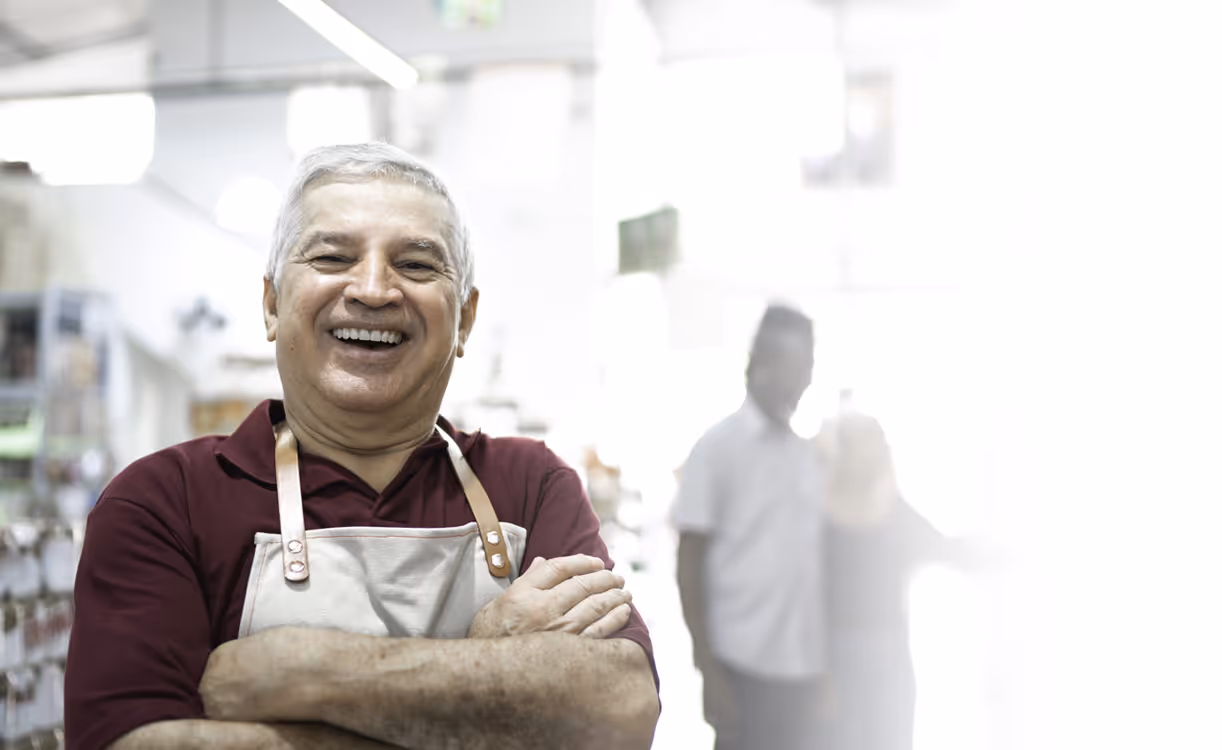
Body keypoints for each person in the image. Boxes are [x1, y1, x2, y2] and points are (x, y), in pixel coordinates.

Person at [64, 143, 660, 750]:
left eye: (417, 265)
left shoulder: (530, 485)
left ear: (464, 320)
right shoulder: (165, 503)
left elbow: (622, 707)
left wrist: (298, 670)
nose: (374, 289)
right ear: (272, 305)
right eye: (332, 257)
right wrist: (493, 681)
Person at [674, 305, 827, 750]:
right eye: (800, 366)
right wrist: (708, 669)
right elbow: (688, 565)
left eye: (811, 367)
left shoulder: (802, 454)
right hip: (742, 670)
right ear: (764, 363)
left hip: (803, 671)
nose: (807, 379)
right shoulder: (716, 449)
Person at [815, 406, 965, 750]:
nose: (876, 450)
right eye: (867, 442)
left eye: (879, 442)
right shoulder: (819, 513)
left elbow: (940, 547)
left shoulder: (891, 507)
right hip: (838, 654)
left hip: (889, 649)